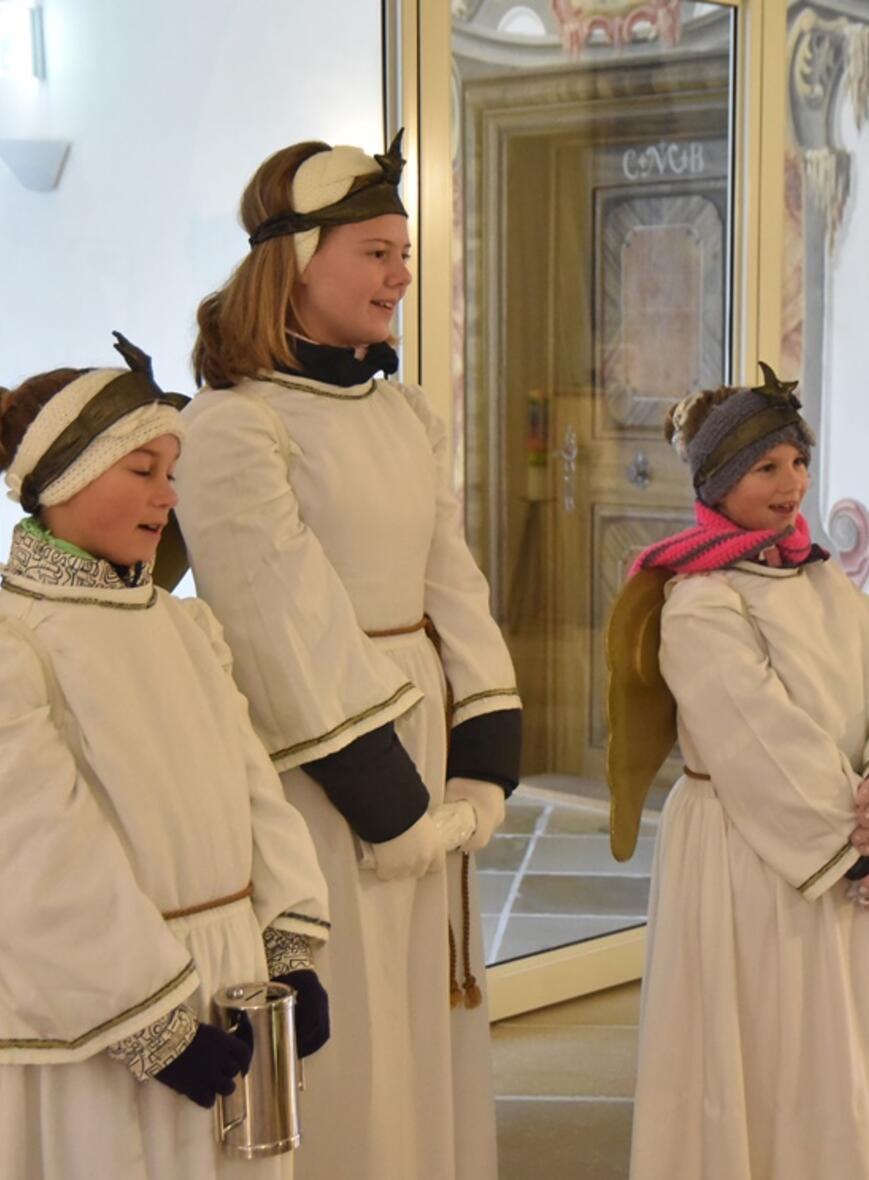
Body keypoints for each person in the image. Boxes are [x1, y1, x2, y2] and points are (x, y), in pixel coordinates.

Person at [174, 134, 521, 1180]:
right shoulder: (237, 427)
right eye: (375, 251)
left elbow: (452, 579)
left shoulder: (403, 411)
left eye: (402, 252)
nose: (400, 274)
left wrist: (483, 755)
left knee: (428, 1008)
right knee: (358, 1020)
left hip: (415, 734)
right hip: (324, 766)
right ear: (296, 259)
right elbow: (283, 627)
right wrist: (395, 803)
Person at [0, 335, 331, 1180]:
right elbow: (39, 855)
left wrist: (287, 943)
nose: (168, 495)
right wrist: (151, 1024)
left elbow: (256, 791)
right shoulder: (18, 645)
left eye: (171, 471)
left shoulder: (184, 626)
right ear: (65, 478)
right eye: (142, 470)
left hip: (229, 981)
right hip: (103, 1011)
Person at [620, 364, 869, 1180]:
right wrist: (861, 847)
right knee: (760, 1042)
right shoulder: (700, 600)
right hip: (751, 854)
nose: (791, 482)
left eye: (798, 461)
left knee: (841, 1049)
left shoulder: (827, 580)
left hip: (843, 838)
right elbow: (757, 742)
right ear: (717, 482)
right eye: (766, 467)